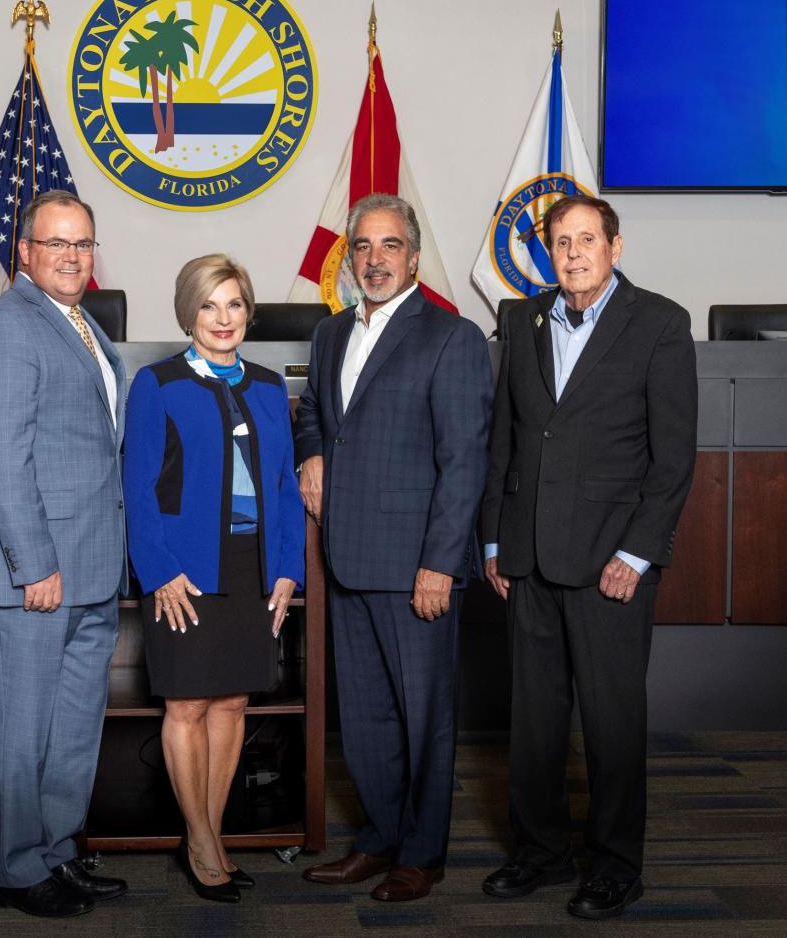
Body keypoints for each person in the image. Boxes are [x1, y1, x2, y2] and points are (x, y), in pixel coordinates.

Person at [480, 195, 697, 920]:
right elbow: (504, 440)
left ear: (615, 246)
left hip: (611, 562)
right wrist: (493, 540)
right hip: (529, 558)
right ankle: (540, 854)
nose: (573, 254)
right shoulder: (523, 319)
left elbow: (671, 460)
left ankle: (614, 867)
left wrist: (636, 555)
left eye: (587, 240)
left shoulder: (661, 323)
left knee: (610, 725)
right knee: (536, 722)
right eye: (561, 242)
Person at [294, 193, 492, 902]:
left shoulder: (452, 337)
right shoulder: (329, 335)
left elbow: (464, 461)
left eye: (389, 246)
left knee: (424, 715)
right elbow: (317, 410)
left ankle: (422, 854)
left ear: (412, 256)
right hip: (347, 556)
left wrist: (440, 562)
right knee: (367, 716)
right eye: (363, 247)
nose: (374, 259)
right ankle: (377, 840)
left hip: (416, 566)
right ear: (350, 257)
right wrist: (313, 453)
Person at [0, 189, 129, 918]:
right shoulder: (6, 329)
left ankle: (56, 854)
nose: (71, 256)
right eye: (56, 243)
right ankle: (16, 870)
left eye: (82, 244)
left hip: (89, 568)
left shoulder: (83, 325)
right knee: (22, 731)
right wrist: (36, 566)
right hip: (33, 574)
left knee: (71, 730)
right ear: (24, 251)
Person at [123, 255, 305, 903]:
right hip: (184, 571)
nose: (223, 318)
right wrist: (159, 570)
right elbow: (137, 487)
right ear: (188, 312)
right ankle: (199, 839)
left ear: (248, 311)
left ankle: (214, 833)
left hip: (252, 570)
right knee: (187, 704)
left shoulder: (264, 386)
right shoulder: (158, 383)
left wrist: (288, 570)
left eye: (233, 305)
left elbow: (284, 486)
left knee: (232, 703)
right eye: (209, 305)